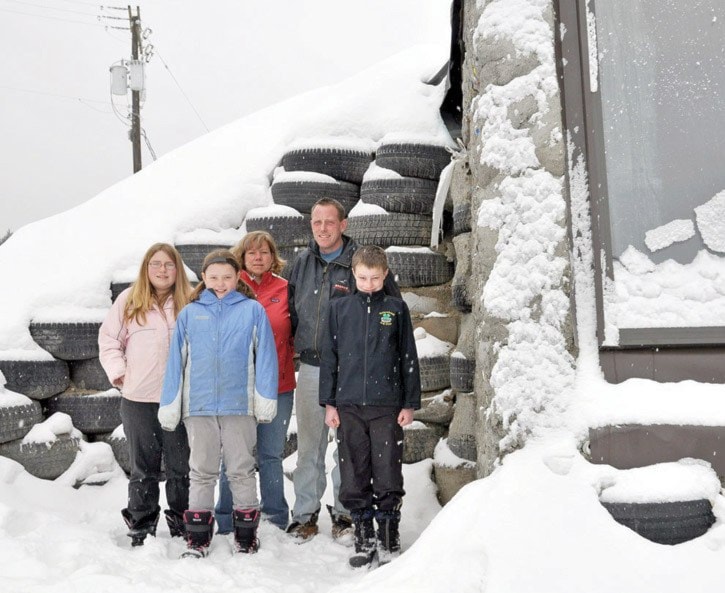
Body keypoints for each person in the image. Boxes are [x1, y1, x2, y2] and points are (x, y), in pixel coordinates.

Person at [286, 197, 401, 542]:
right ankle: (304, 514)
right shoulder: (301, 263)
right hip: (311, 367)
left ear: (343, 224)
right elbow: (289, 311)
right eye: (317, 222)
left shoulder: (361, 264)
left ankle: (346, 514)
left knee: (350, 448)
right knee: (310, 446)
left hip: (354, 374)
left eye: (329, 222)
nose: (323, 228)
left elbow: (390, 312)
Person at [158, 249, 278, 558]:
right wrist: (171, 403)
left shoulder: (252, 310)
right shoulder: (190, 313)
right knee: (201, 471)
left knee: (241, 469)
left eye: (227, 277)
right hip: (198, 407)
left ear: (238, 277)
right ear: (204, 278)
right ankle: (197, 539)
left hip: (239, 405)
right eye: (214, 277)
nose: (220, 283)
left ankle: (246, 536)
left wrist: (264, 399)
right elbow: (175, 363)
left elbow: (265, 357)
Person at [320, 245, 421, 568]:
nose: (369, 284)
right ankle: (363, 535)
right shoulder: (339, 309)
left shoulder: (396, 308)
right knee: (354, 469)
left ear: (385, 275)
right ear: (354, 274)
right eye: (363, 278)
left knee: (388, 468)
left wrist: (409, 402)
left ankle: (389, 535)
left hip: (386, 404)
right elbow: (329, 358)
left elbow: (408, 357)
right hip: (348, 404)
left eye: (375, 278)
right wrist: (329, 403)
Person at [98, 242, 192, 546]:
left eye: (168, 264)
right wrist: (120, 372)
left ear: (177, 269)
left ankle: (183, 520)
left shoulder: (189, 301)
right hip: (139, 398)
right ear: (146, 269)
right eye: (156, 264)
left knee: (181, 466)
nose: (162, 270)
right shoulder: (130, 300)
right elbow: (109, 340)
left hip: (179, 398)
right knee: (144, 467)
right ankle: (141, 522)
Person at [215, 231, 296, 532]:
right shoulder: (229, 287)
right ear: (242, 257)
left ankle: (275, 516)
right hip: (239, 388)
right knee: (234, 456)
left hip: (278, 386)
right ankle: (225, 517)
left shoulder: (288, 289)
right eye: (252, 253)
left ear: (274, 258)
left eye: (264, 253)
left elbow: (299, 330)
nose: (258, 258)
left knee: (270, 454)